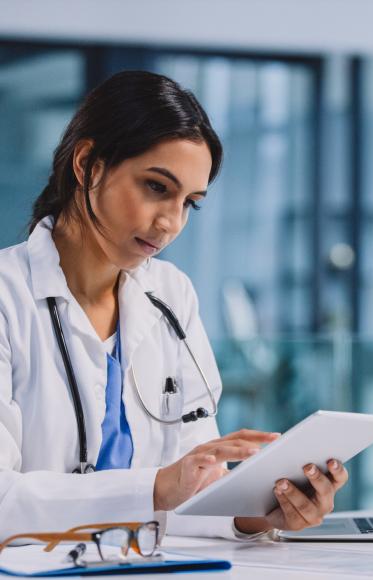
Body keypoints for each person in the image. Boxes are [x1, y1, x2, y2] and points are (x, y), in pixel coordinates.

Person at [0, 71, 348, 542]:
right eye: (156, 187)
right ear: (87, 164)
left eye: (190, 203)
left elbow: (194, 491)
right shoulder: (8, 296)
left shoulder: (171, 296)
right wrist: (159, 486)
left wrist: (261, 512)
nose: (169, 223)